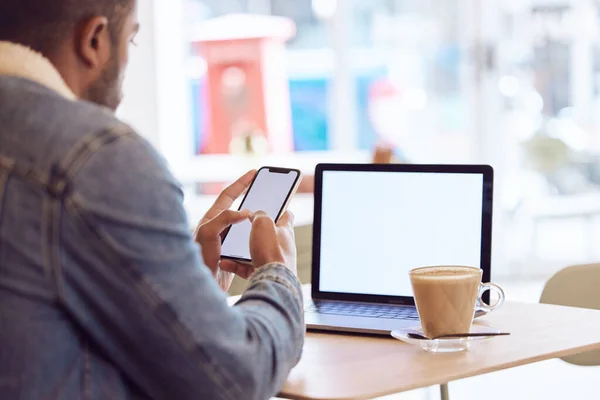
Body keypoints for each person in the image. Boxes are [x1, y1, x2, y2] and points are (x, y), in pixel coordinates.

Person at [0, 1, 304, 399]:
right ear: (93, 40)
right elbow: (234, 380)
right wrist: (279, 275)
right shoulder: (95, 155)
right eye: (132, 38)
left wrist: (187, 285)